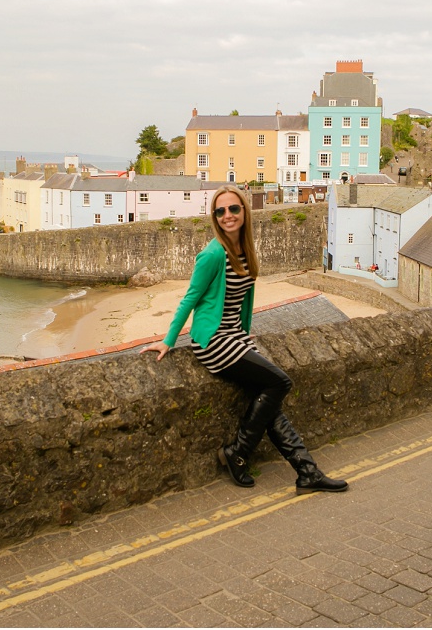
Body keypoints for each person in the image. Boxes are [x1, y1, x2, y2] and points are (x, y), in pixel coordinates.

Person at [141, 185, 348, 495]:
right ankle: (238, 452)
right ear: (215, 217)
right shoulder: (212, 254)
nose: (227, 215)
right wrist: (168, 340)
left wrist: (245, 336)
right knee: (279, 383)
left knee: (270, 403)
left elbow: (243, 302)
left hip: (235, 337)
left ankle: (307, 472)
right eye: (220, 211)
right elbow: (190, 299)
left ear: (244, 211)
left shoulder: (246, 250)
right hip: (212, 341)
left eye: (233, 209)